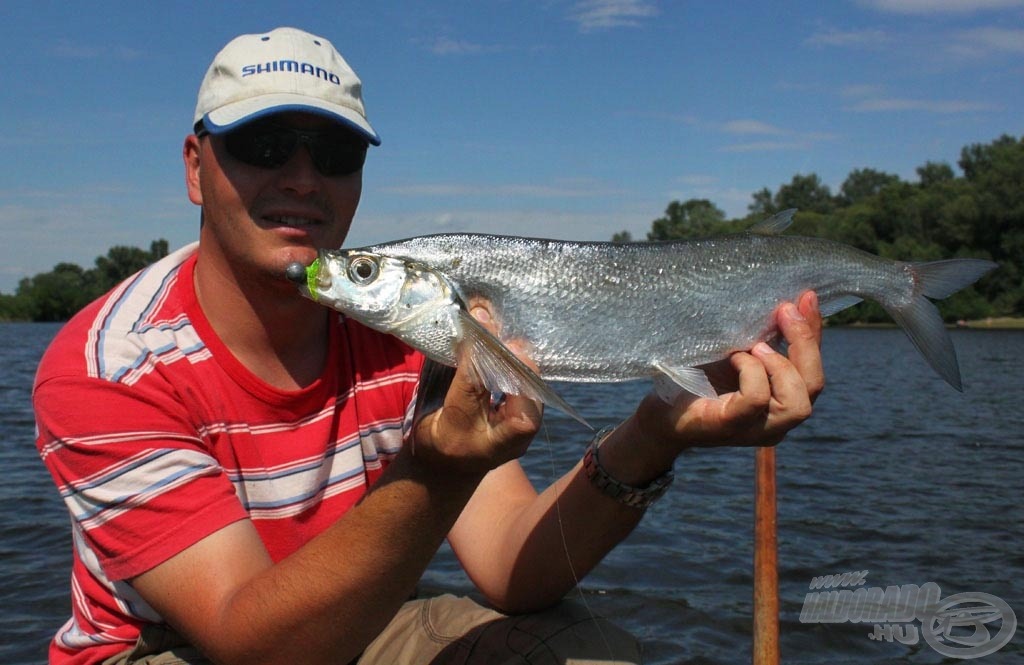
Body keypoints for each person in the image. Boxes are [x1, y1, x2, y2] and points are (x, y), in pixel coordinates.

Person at [34, 26, 825, 665]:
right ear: (195, 167)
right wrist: (436, 470)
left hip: (356, 626)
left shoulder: (405, 334)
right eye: (265, 145)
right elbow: (253, 643)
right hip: (173, 650)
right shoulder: (109, 366)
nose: (305, 178)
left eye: (336, 154)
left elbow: (518, 564)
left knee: (588, 650)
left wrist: (655, 434)